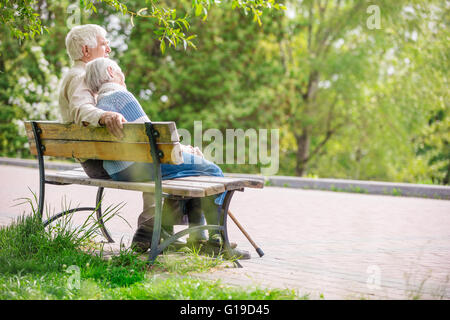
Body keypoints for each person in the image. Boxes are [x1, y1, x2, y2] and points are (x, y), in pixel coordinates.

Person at [84, 57, 250, 260]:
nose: (122, 76)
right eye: (120, 72)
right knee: (213, 172)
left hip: (117, 170)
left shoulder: (99, 105)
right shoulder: (121, 97)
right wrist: (184, 150)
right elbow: (153, 139)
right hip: (139, 166)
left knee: (192, 175)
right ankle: (217, 241)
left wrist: (181, 150)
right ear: (111, 71)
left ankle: (199, 237)